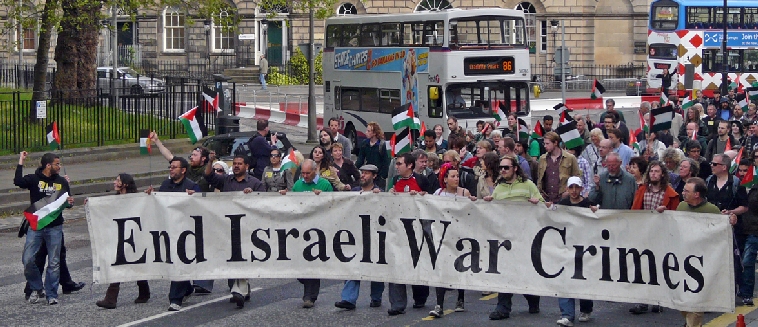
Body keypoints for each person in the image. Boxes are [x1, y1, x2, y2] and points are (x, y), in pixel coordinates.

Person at [484, 154, 546, 320]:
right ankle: (502, 308)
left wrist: (536, 202)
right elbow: (494, 211)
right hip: (505, 238)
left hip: (525, 236)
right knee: (505, 271)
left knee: (524, 271)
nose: (503, 170)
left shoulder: (527, 185)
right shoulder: (499, 188)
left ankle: (533, 298)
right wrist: (488, 202)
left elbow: (542, 206)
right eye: (501, 168)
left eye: (506, 167)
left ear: (515, 168)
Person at [15, 152, 76, 305]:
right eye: (57, 164)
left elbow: (67, 202)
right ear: (48, 165)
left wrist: (70, 202)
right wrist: (21, 162)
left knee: (54, 262)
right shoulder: (34, 179)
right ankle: (37, 287)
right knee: (27, 259)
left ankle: (51, 294)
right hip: (36, 226)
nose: (59, 166)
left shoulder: (62, 181)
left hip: (55, 227)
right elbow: (18, 181)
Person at [204, 154, 265, 308]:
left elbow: (264, 203)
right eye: (235, 163)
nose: (236, 166)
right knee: (231, 258)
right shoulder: (225, 180)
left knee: (242, 258)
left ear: (247, 166)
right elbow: (209, 176)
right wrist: (210, 161)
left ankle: (240, 289)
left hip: (247, 228)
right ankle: (239, 288)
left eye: (240, 163)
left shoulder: (255, 183)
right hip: (227, 226)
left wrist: (253, 196)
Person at [677, 177, 736, 327]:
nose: (683, 192)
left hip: (702, 263)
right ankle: (690, 322)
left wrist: (730, 223)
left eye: (686, 191)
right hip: (682, 260)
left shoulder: (712, 210)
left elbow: (721, 234)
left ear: (697, 194)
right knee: (682, 300)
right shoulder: (681, 207)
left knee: (697, 301)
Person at [145, 157, 201, 311]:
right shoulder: (165, 185)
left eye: (175, 167)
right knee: (175, 262)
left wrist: (194, 197)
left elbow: (203, 206)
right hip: (169, 230)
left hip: (186, 233)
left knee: (179, 262)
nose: (171, 169)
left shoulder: (192, 186)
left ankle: (175, 298)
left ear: (183, 170)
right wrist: (151, 196)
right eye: (170, 166)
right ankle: (187, 288)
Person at [279, 159, 333, 309]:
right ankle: (309, 288)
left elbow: (333, 205)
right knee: (299, 265)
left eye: (307, 173)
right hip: (300, 231)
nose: (305, 176)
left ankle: (309, 296)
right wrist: (286, 195)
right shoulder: (298, 184)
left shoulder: (325, 185)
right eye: (302, 173)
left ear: (315, 170)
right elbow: (292, 205)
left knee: (312, 263)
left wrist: (323, 197)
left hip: (318, 231)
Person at [96, 174, 151, 309]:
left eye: (118, 180)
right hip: (120, 236)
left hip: (134, 235)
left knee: (136, 263)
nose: (115, 182)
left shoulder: (137, 199)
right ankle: (111, 299)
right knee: (119, 263)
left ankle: (143, 292)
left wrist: (148, 196)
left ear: (125, 184)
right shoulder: (115, 199)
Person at [428, 164, 476, 318]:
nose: (456, 179)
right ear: (445, 178)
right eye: (453, 176)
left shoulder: (464, 193)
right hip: (443, 236)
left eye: (457, 176)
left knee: (459, 267)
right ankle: (439, 305)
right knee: (441, 269)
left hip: (461, 236)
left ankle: (460, 298)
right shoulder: (438, 193)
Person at [334, 164, 384, 311]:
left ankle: (376, 297)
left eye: (367, 173)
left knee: (376, 267)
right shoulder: (355, 192)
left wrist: (379, 196)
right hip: (355, 235)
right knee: (353, 265)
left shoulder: (380, 193)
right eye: (362, 173)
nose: (363, 175)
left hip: (374, 235)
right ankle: (348, 299)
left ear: (374, 176)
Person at [387, 153, 430, 316]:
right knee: (396, 265)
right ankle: (397, 304)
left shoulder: (421, 180)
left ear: (410, 165)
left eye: (399, 164)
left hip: (417, 231)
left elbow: (433, 201)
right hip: (397, 230)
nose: (396, 167)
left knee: (416, 264)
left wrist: (421, 197)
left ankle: (420, 296)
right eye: (396, 164)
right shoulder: (395, 181)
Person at [556, 177, 597, 327]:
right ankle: (567, 315)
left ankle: (586, 308)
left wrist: (595, 211)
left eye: (576, 187)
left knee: (582, 278)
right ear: (567, 189)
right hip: (567, 245)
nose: (574, 191)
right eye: (571, 187)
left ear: (581, 189)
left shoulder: (587, 204)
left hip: (584, 246)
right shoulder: (563, 204)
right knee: (565, 278)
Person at [738, 149, 758, 307]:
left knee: (748, 261)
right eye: (741, 170)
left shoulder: (755, 185)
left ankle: (747, 294)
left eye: (746, 170)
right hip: (739, 228)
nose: (743, 173)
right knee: (738, 261)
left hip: (754, 229)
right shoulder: (736, 185)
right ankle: (740, 288)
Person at [537, 132, 581, 203]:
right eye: (544, 144)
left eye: (547, 144)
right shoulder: (542, 159)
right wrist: (540, 193)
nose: (545, 146)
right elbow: (539, 178)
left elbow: (577, 177)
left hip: (563, 199)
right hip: (547, 199)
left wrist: (568, 192)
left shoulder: (570, 158)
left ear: (555, 143)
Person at [356, 122, 390, 189]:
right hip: (368, 175)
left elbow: (386, 163)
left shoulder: (382, 145)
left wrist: (382, 177)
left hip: (379, 178)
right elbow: (360, 159)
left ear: (374, 133)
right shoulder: (364, 144)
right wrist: (355, 169)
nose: (366, 132)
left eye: (369, 131)